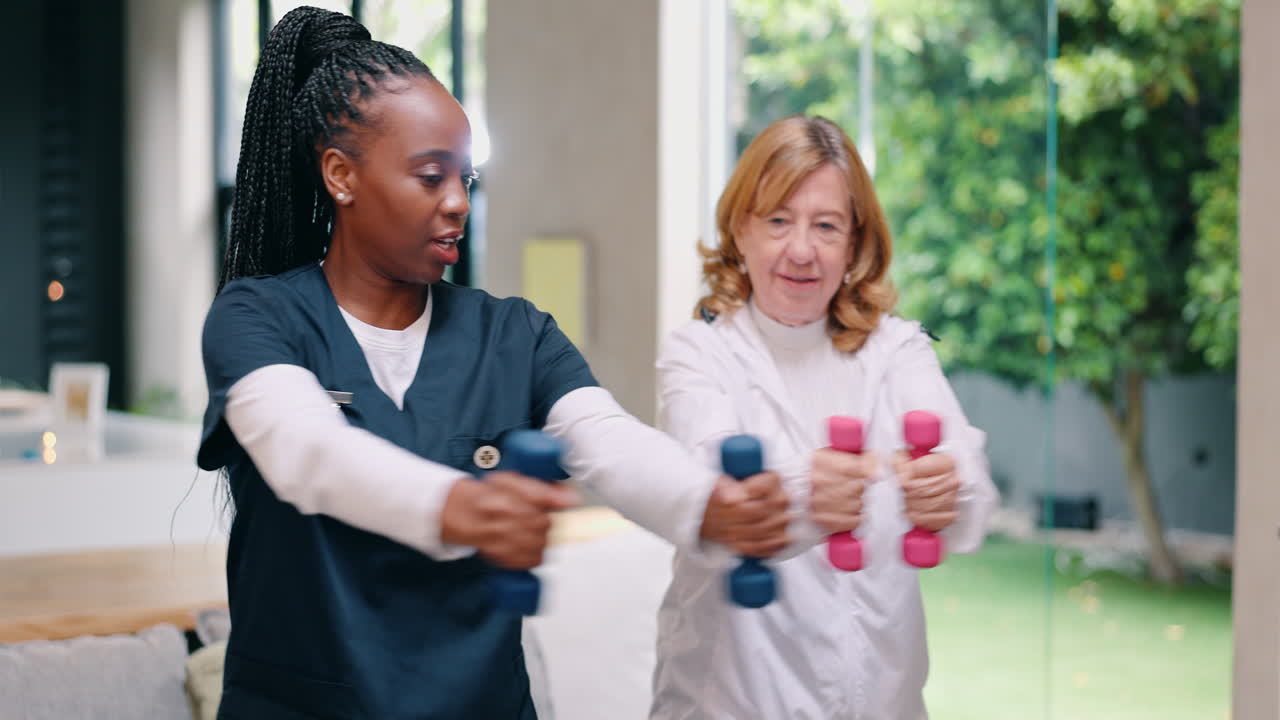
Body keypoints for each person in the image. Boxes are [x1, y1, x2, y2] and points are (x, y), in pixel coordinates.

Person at [197, 7, 790, 719]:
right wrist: (457, 506)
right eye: (429, 177)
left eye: (465, 178)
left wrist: (707, 504)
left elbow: (607, 439)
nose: (457, 204)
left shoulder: (514, 335)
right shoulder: (257, 318)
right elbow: (308, 451)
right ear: (340, 175)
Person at [649, 115, 1000, 719]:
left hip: (883, 701)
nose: (802, 250)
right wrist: (812, 488)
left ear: (856, 242)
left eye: (827, 226)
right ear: (741, 227)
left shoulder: (898, 350)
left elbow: (963, 471)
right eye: (779, 220)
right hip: (729, 702)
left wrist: (948, 488)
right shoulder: (698, 356)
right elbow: (712, 497)